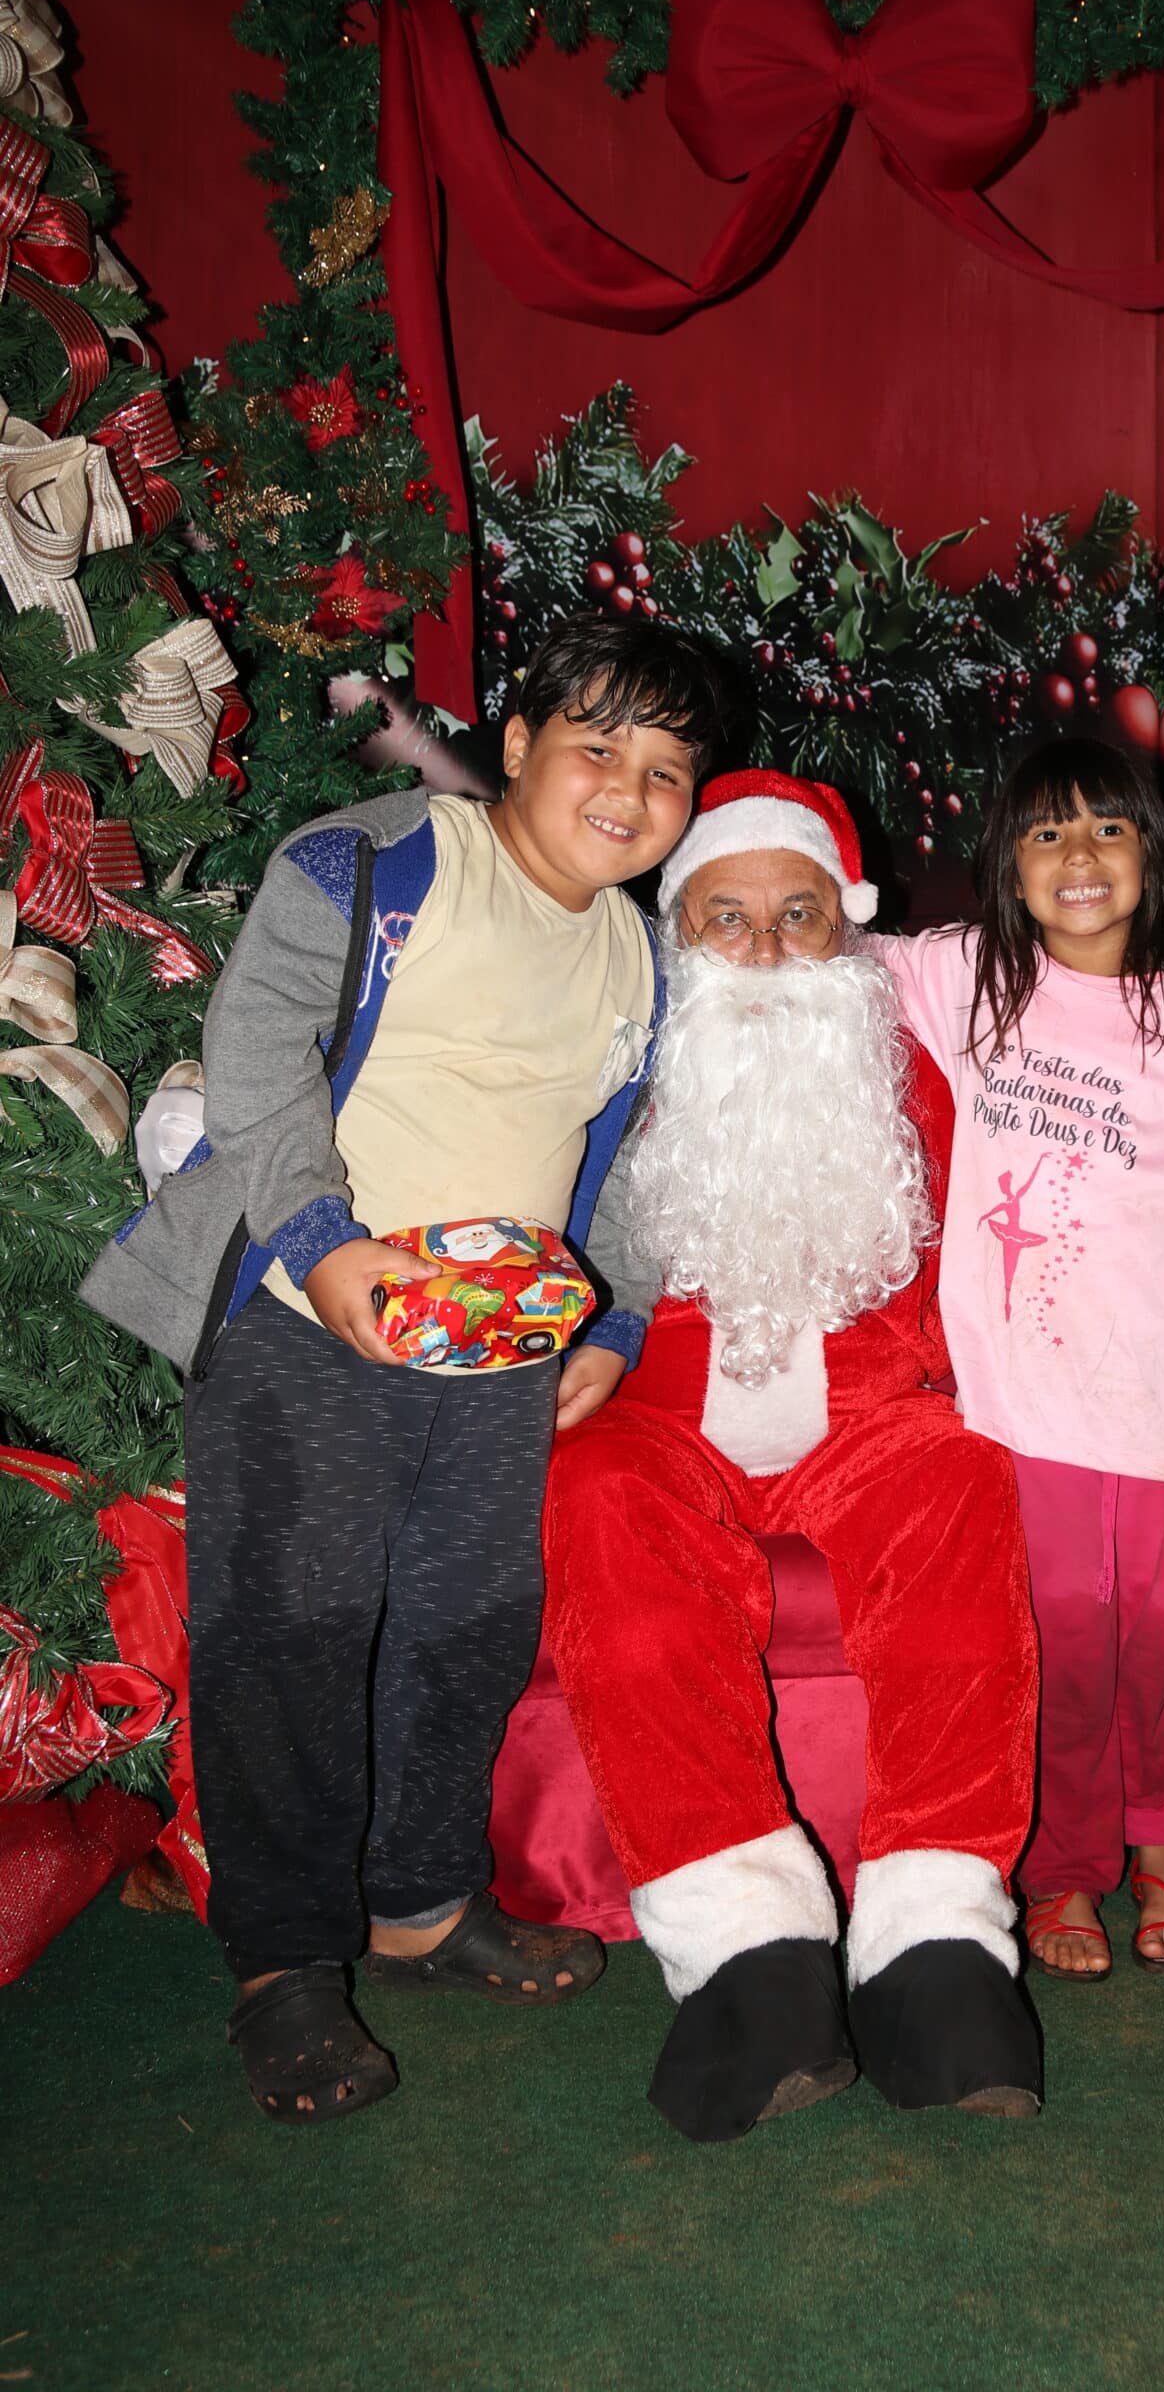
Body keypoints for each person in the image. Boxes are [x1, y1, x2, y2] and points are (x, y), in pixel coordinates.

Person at [81, 613, 724, 2123]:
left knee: (467, 1625)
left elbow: (631, 1161)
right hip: (308, 1323)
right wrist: (320, 1241)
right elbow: (257, 1057)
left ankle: (421, 1905)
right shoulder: (377, 864)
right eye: (596, 747)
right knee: (290, 1636)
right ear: (519, 743)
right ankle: (283, 1966)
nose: (628, 792)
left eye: (665, 771)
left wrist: (614, 1323)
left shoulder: (646, 956)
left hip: (499, 1350)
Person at [542, 771, 1048, 2143]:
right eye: (727, 917)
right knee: (594, 1496)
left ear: (848, 928)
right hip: (653, 1406)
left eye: (798, 915)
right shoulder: (612, 1069)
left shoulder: (911, 1073)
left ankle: (936, 1944)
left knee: (961, 1485)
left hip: (872, 1409)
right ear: (676, 930)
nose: (764, 950)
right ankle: (745, 1954)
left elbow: (1014, 1228)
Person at [869, 737, 1164, 1983]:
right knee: (1063, 1633)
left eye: (1108, 828)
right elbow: (825, 939)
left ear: (1151, 856)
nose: (1079, 855)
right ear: (1008, 865)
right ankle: (1065, 1863)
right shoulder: (966, 977)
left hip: (1156, 1380)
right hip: (1017, 1395)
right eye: (1046, 832)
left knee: (1155, 1626)